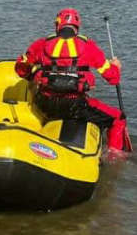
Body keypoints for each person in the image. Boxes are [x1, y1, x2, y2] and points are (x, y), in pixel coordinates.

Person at [14, 8, 130, 155]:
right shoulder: (88, 46)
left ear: (57, 25)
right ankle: (115, 157)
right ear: (77, 27)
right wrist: (116, 67)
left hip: (45, 105)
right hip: (74, 107)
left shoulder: (41, 44)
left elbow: (20, 70)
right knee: (118, 118)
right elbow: (113, 78)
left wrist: (34, 74)